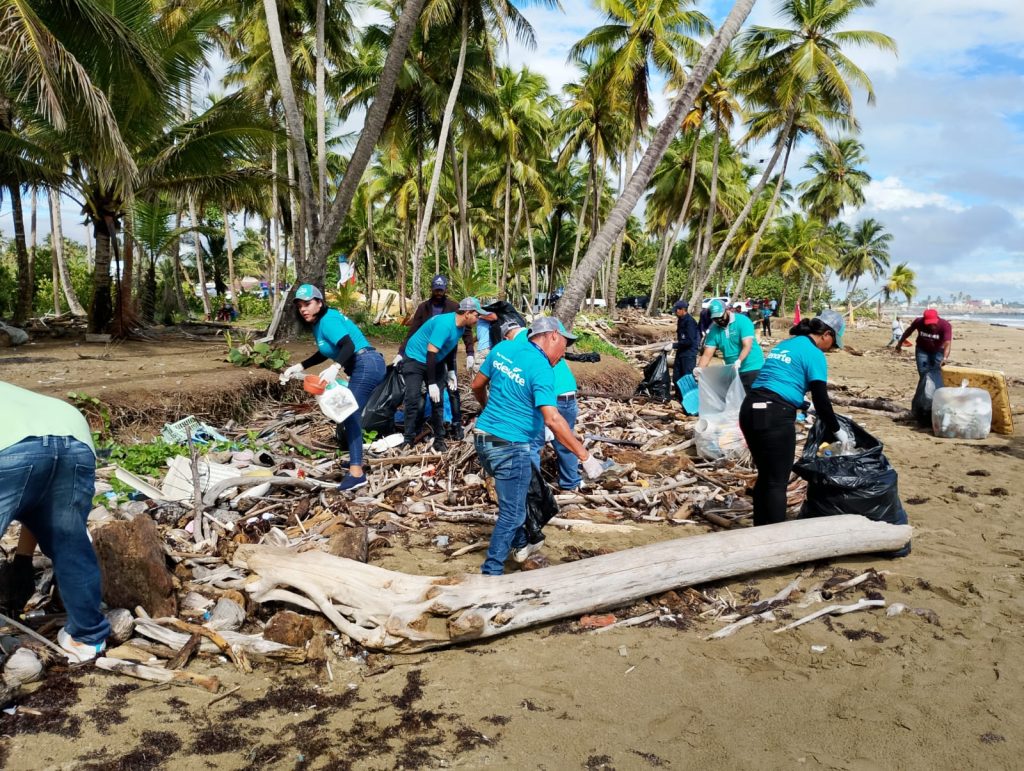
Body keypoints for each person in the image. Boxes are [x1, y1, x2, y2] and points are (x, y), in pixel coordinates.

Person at [471, 317, 606, 575]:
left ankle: (522, 543)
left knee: (515, 500)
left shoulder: (503, 349)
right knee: (513, 513)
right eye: (564, 345)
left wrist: (488, 409)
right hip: (511, 446)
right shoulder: (542, 368)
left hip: (483, 438)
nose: (563, 354)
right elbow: (553, 418)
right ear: (552, 336)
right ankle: (491, 571)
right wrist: (585, 456)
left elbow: (477, 385)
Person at [0, 382, 112, 662]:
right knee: (70, 542)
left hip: (11, 445)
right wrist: (23, 561)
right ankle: (88, 639)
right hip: (72, 433)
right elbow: (35, 504)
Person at [738, 310, 849, 527]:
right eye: (834, 343)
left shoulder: (786, 344)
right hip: (774, 416)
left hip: (750, 409)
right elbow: (822, 398)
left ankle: (760, 530)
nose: (832, 348)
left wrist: (803, 404)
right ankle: (776, 537)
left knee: (766, 476)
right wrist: (837, 430)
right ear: (826, 334)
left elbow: (777, 382)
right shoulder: (814, 353)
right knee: (777, 482)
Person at [280, 284, 386, 491]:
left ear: (319, 303)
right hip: (363, 365)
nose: (303, 309)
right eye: (300, 305)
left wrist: (335, 367)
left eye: (308, 304)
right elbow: (326, 350)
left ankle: (357, 473)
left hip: (366, 364)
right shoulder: (319, 324)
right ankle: (356, 459)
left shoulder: (328, 320)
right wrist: (299, 366)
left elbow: (348, 346)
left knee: (349, 414)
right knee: (347, 413)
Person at [400, 297, 481, 451]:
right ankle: (408, 438)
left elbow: (450, 348)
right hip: (415, 358)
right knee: (413, 398)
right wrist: (431, 383)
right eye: (477, 315)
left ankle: (439, 439)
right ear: (467, 313)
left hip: (434, 360)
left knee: (438, 401)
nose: (478, 319)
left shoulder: (461, 327)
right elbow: (430, 353)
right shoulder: (445, 325)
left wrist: (450, 370)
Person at [529, 333, 583, 493]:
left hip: (551, 398)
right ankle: (571, 483)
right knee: (565, 440)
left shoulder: (534, 350)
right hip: (568, 397)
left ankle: (534, 490)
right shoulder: (552, 351)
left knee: (534, 445)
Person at [394, 274, 476, 373]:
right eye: (436, 290)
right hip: (426, 354)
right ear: (431, 289)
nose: (438, 293)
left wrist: (470, 353)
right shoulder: (423, 308)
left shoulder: (453, 307)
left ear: (446, 290)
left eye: (441, 290)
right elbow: (412, 332)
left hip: (447, 354)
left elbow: (466, 331)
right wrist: (401, 353)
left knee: (450, 385)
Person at [694, 299, 765, 392]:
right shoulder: (714, 330)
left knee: (751, 400)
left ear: (727, 310)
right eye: (715, 319)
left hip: (752, 367)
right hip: (733, 370)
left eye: (720, 317)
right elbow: (707, 354)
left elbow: (747, 345)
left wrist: (739, 360)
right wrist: (700, 370)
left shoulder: (742, 321)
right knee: (736, 400)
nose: (719, 320)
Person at [897, 308, 952, 374]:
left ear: (937, 319)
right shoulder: (919, 322)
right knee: (923, 372)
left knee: (937, 373)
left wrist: (945, 358)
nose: (931, 325)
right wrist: (900, 343)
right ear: (924, 320)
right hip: (922, 350)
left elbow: (947, 343)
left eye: (933, 323)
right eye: (929, 323)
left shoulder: (945, 325)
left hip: (938, 351)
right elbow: (908, 331)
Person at [668, 300, 700, 398]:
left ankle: (689, 398)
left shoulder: (690, 322)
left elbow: (689, 341)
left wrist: (674, 346)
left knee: (687, 377)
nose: (675, 312)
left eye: (677, 310)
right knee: (677, 376)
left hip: (689, 353)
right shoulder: (680, 320)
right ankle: (679, 396)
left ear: (683, 310)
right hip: (681, 352)